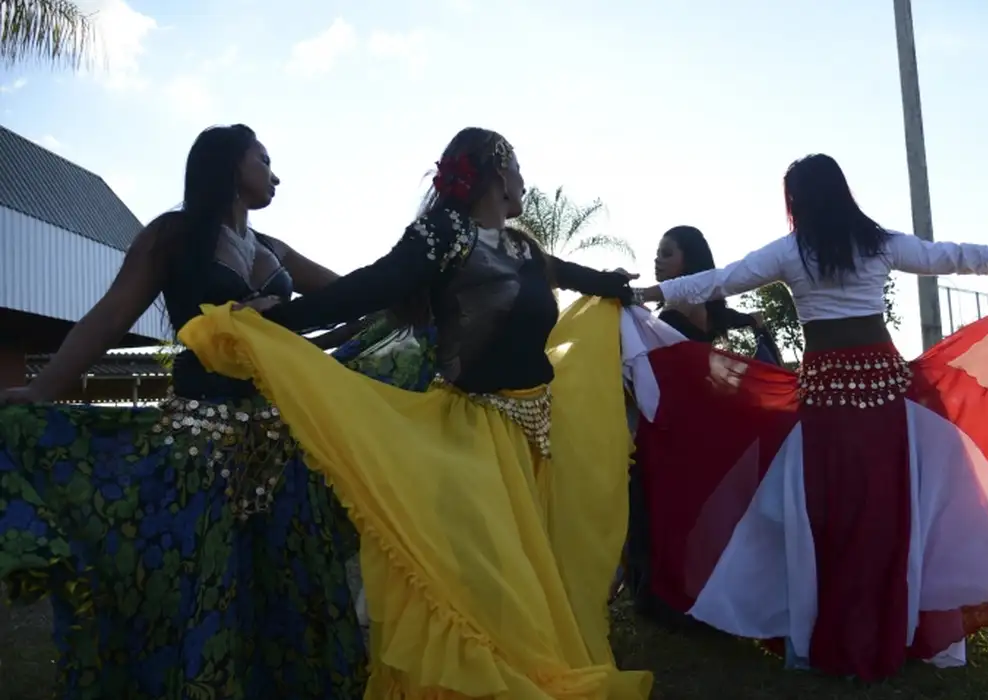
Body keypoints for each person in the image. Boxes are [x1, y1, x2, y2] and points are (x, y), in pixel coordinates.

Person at [620, 153, 988, 681]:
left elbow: (719, 280)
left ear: (799, 202)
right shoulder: (863, 245)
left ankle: (845, 628)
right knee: (883, 510)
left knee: (833, 513)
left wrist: (650, 292)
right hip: (876, 392)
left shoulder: (797, 251)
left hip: (835, 398)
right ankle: (880, 626)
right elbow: (954, 255)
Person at [177, 127, 654, 699]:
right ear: (498, 170)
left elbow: (564, 273)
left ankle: (523, 665)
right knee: (484, 578)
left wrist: (612, 285)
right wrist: (279, 320)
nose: (525, 181)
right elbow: (373, 285)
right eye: (520, 168)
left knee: (525, 573)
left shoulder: (522, 246)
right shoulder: (445, 232)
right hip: (474, 434)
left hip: (534, 436)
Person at [0, 124, 368, 699]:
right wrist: (44, 387)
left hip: (280, 446)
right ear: (228, 165)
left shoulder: (276, 249)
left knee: (285, 585)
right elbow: (111, 315)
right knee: (207, 580)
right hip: (202, 445)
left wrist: (391, 304)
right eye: (264, 160)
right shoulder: (173, 236)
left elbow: (347, 296)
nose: (275, 175)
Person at [618, 225, 779, 617]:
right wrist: (753, 323)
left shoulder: (670, 313)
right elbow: (726, 326)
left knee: (656, 503)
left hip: (674, 423)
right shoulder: (712, 309)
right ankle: (696, 591)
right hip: (700, 422)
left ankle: (659, 595)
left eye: (667, 252)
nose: (658, 259)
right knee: (695, 508)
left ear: (688, 259)